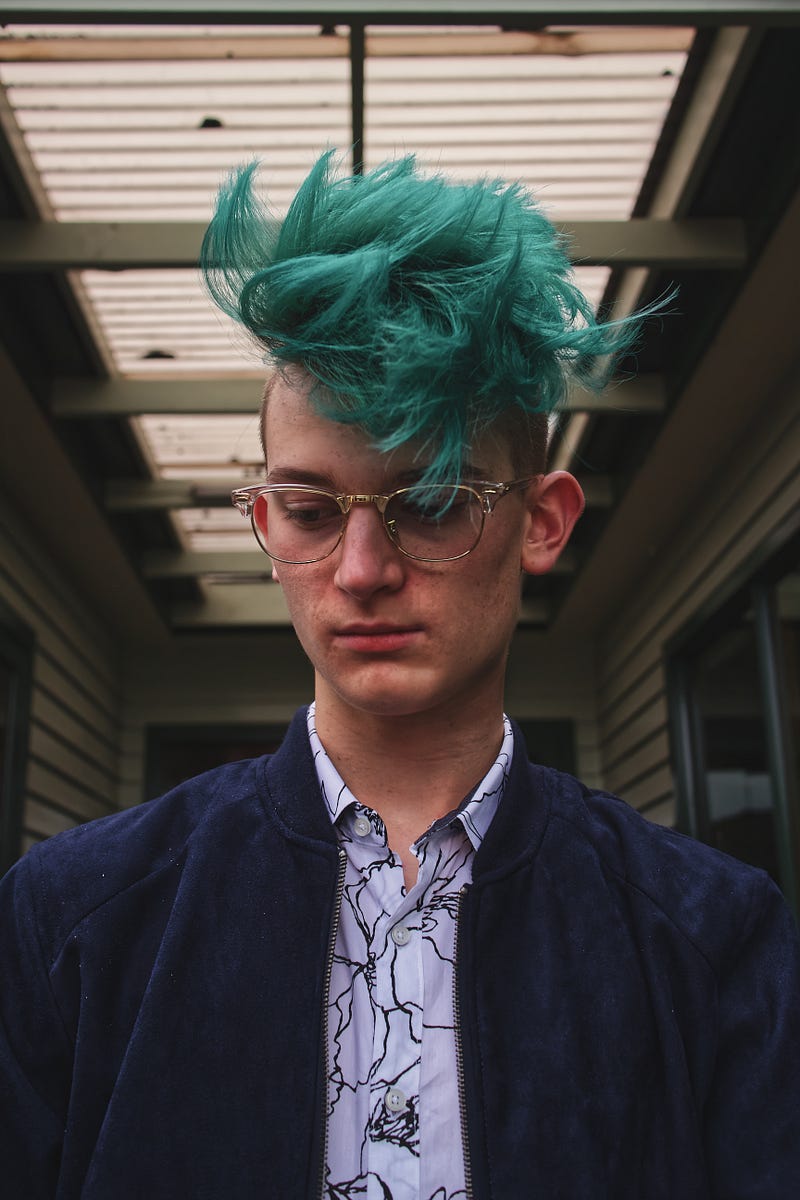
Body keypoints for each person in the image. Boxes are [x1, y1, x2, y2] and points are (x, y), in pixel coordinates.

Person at [1, 153, 798, 1200]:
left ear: (542, 522)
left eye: (430, 500)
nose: (362, 572)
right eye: (309, 509)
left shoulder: (712, 936)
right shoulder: (71, 919)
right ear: (261, 523)